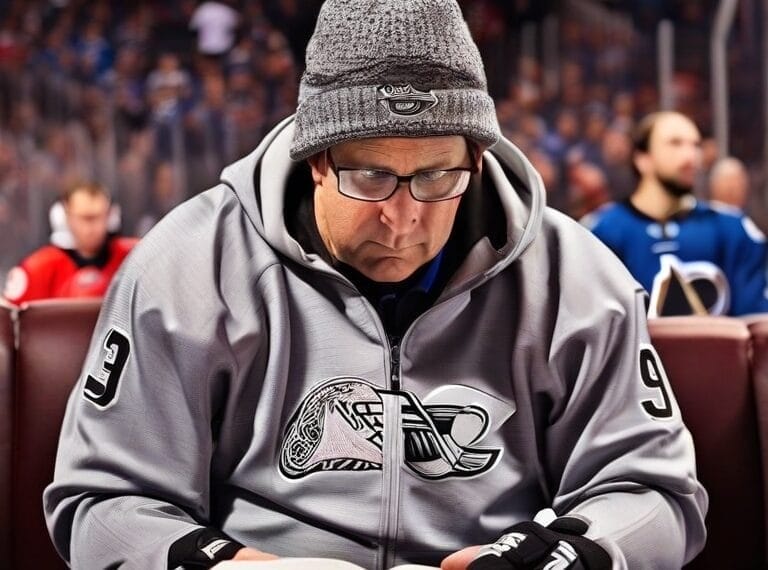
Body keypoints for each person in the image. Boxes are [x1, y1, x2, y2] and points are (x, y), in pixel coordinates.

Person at [44, 2, 707, 569]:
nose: (403, 217)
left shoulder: (576, 279)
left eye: (436, 177)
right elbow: (103, 501)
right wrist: (222, 564)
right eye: (370, 177)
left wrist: (567, 554)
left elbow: (654, 493)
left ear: (477, 158)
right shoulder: (187, 265)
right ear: (317, 161)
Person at [583, 111, 768, 317]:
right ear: (642, 159)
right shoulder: (599, 232)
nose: (690, 156)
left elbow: (756, 325)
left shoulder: (733, 229)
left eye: (695, 145)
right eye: (675, 143)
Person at [3, 181, 137, 304]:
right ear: (63, 217)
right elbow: (7, 316)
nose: (91, 227)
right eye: (84, 218)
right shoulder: (37, 268)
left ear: (111, 217)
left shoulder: (133, 258)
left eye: (98, 217)